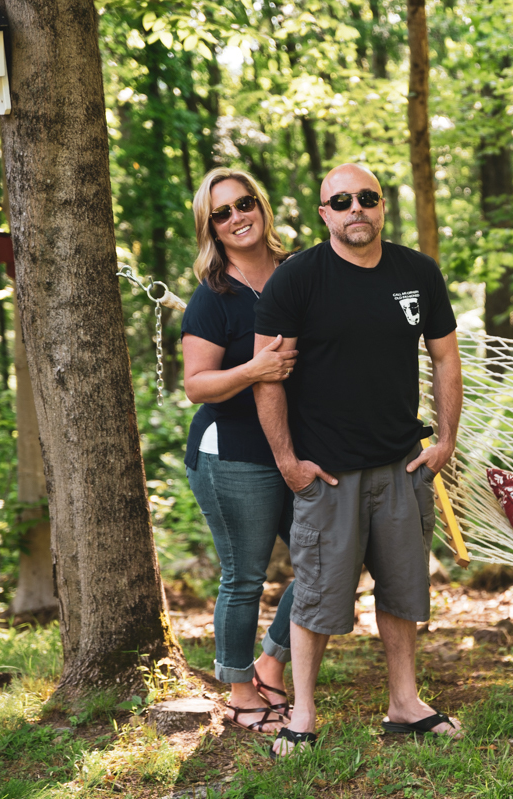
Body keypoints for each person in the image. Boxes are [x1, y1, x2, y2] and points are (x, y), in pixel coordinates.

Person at [253, 163, 463, 758]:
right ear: (324, 213)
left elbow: (446, 359)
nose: (355, 209)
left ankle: (404, 704)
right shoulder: (297, 280)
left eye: (366, 197)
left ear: (381, 205)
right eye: (340, 200)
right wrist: (289, 462)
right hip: (327, 471)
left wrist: (443, 442)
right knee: (317, 595)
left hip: (402, 466)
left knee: (402, 593)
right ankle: (302, 715)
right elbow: (267, 375)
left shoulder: (416, 273)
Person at [182, 168, 301, 734]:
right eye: (222, 212)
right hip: (232, 454)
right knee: (245, 576)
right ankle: (239, 691)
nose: (237, 217)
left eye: (244, 203)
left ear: (262, 206)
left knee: (330, 559)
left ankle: (270, 664)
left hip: (302, 451)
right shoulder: (214, 298)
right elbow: (196, 384)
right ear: (212, 228)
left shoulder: (300, 274)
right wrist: (254, 369)